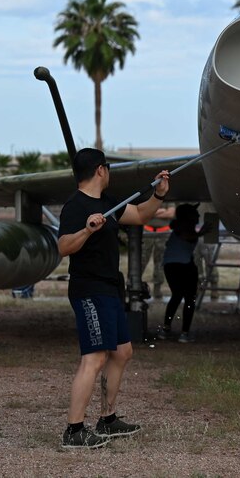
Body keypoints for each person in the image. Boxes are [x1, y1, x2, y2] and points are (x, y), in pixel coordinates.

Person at [56, 148, 170, 449]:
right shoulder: (75, 206)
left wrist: (158, 193)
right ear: (100, 170)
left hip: (109, 288)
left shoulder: (108, 204)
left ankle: (107, 420)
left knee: (122, 352)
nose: (109, 171)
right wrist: (87, 229)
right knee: (94, 358)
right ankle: (74, 430)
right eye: (108, 167)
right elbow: (64, 247)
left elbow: (142, 214)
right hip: (89, 290)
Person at [159, 203, 212, 342]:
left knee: (177, 296)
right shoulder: (183, 227)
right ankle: (184, 332)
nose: (198, 216)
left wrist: (200, 232)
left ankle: (167, 328)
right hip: (182, 266)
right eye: (195, 213)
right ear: (188, 216)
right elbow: (188, 236)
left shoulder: (179, 227)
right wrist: (201, 232)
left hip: (172, 266)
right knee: (189, 298)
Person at [140, 205, 175, 299]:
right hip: (147, 232)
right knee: (141, 260)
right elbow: (144, 212)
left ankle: (157, 288)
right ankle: (135, 285)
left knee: (160, 262)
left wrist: (154, 211)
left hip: (163, 234)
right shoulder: (149, 195)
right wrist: (162, 211)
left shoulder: (169, 197)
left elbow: (171, 213)